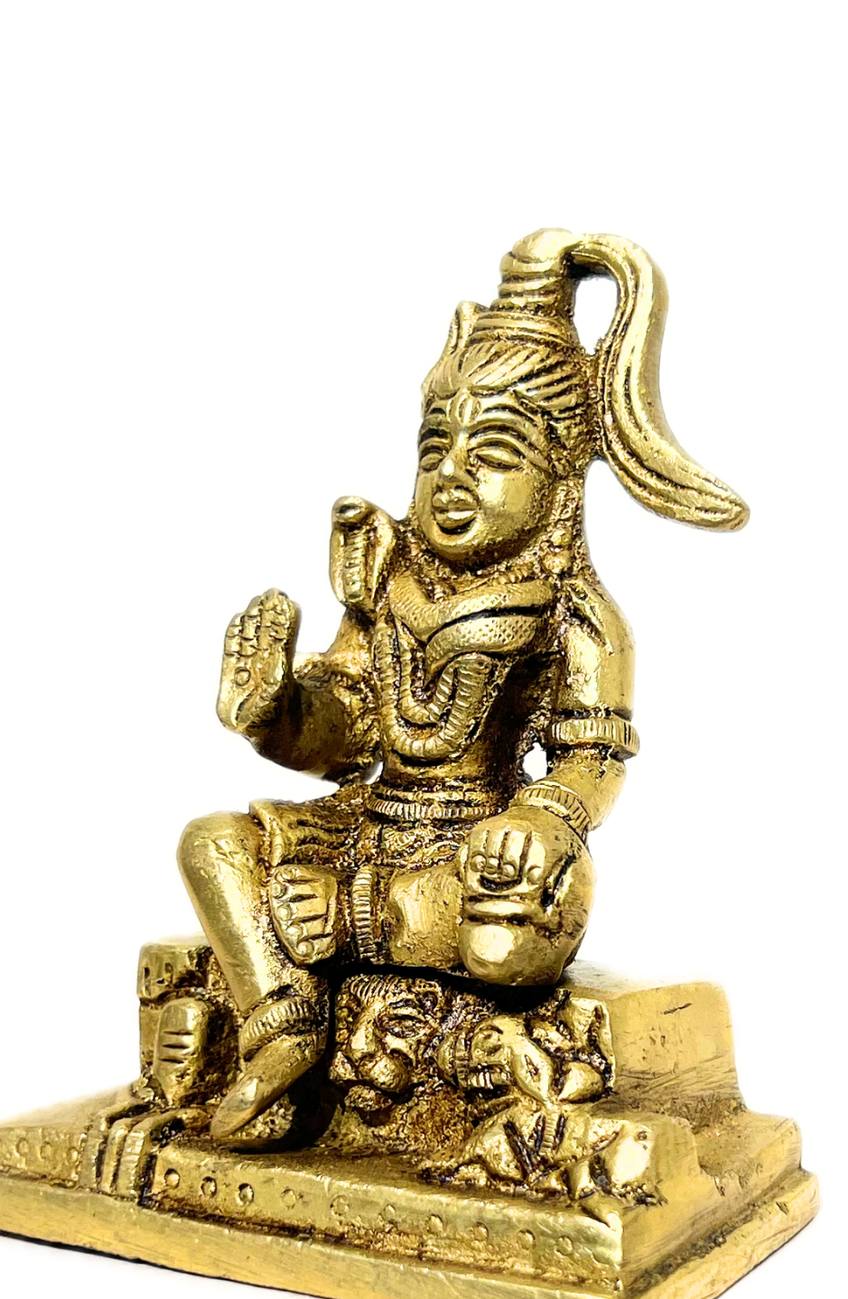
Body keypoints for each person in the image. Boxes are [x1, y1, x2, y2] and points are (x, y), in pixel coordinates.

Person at [178, 229, 746, 1144]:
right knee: (212, 844)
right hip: (369, 822)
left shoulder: (578, 613)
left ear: (559, 480)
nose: (449, 477)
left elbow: (592, 759)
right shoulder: (386, 576)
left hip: (476, 844)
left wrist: (543, 821)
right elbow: (350, 724)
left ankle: (359, 923)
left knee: (508, 940)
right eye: (434, 447)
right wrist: (278, 714)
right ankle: (284, 1024)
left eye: (492, 454)